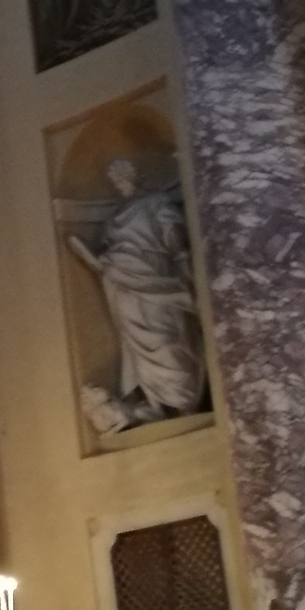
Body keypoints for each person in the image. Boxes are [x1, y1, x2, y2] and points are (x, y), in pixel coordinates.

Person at [70, 157, 206, 432]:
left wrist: (184, 266)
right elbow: (111, 249)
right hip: (123, 284)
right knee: (136, 343)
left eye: (125, 174)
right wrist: (104, 264)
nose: (121, 181)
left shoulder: (156, 201)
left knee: (167, 337)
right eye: (116, 177)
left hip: (156, 277)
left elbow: (174, 237)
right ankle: (155, 406)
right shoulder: (114, 218)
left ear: (138, 175)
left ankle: (183, 401)